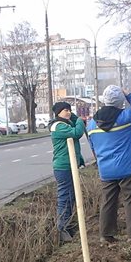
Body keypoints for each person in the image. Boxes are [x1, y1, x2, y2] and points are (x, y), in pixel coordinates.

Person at [86, 85, 131, 243]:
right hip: (127, 168)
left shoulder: (92, 124)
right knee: (130, 200)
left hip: (106, 170)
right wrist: (129, 95)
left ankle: (106, 235)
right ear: (120, 102)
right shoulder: (125, 118)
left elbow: (93, 147)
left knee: (108, 201)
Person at [48, 101, 86, 243]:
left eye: (69, 110)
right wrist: (80, 120)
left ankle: (68, 225)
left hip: (70, 165)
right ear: (58, 113)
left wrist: (79, 160)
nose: (68, 112)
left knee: (71, 198)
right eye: (65, 110)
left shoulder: (65, 123)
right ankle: (62, 228)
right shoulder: (59, 126)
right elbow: (77, 133)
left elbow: (73, 147)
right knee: (64, 198)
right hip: (63, 168)